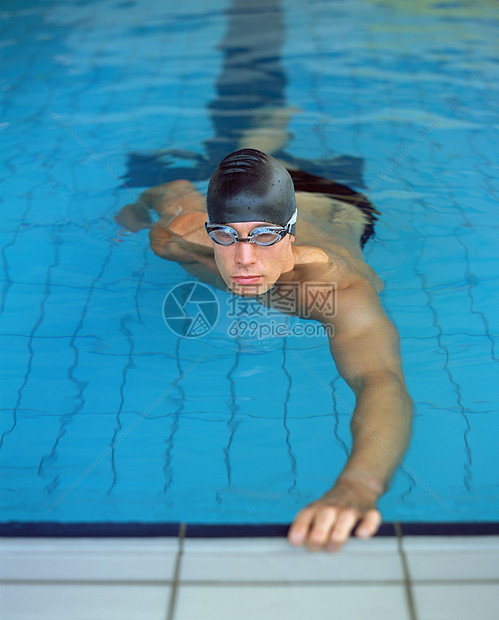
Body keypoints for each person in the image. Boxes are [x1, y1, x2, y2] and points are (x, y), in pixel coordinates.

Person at [116, 148, 413, 552]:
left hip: (337, 203)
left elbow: (379, 380)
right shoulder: (175, 239)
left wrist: (358, 487)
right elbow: (167, 190)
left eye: (265, 237)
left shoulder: (335, 289)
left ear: (288, 235)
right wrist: (128, 220)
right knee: (257, 143)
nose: (244, 259)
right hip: (271, 195)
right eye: (226, 236)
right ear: (209, 230)